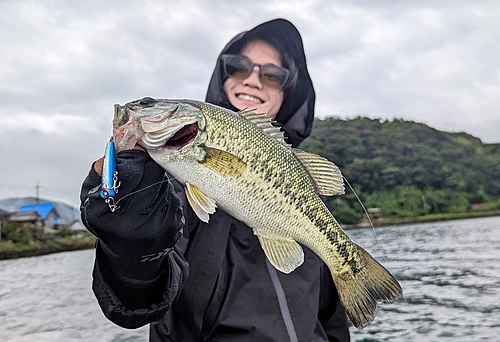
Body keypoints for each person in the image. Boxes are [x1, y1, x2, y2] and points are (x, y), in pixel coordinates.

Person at [80, 18, 351, 342]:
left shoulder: (298, 185)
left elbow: (332, 323)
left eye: (272, 75)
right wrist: (132, 250)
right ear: (222, 77)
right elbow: (136, 303)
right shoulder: (169, 188)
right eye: (238, 67)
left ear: (290, 91)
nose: (252, 80)